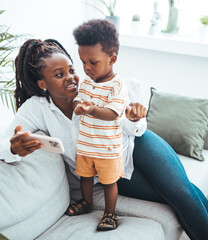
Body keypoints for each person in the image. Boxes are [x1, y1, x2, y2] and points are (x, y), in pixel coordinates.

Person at [0, 36, 208, 240]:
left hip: (139, 145)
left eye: (71, 69)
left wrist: (134, 119)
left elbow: (131, 126)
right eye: (59, 74)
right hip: (114, 172)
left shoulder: (96, 86)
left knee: (181, 192)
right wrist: (14, 148)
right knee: (173, 198)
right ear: (42, 84)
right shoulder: (36, 109)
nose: (71, 77)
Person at [66, 19, 128, 231]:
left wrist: (91, 109)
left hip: (107, 148)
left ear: (112, 59)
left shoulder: (117, 85)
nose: (86, 68)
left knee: (110, 182)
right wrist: (77, 106)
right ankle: (86, 202)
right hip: (86, 145)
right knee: (85, 177)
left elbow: (112, 113)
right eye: (83, 62)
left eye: (93, 62)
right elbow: (77, 100)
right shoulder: (86, 82)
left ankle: (110, 214)